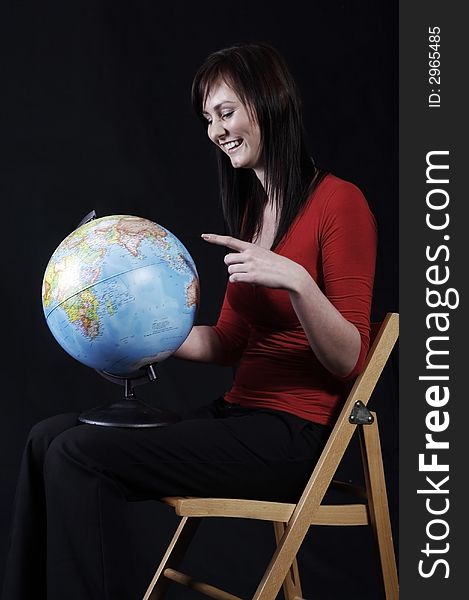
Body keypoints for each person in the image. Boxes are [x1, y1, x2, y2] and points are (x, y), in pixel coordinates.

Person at [1, 43, 377, 600]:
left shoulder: (340, 203)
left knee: (79, 456)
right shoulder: (255, 212)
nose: (215, 131)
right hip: (237, 418)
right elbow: (225, 343)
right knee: (44, 438)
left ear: (269, 103)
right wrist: (124, 331)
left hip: (293, 439)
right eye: (208, 119)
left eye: (225, 112)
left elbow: (350, 359)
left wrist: (296, 279)